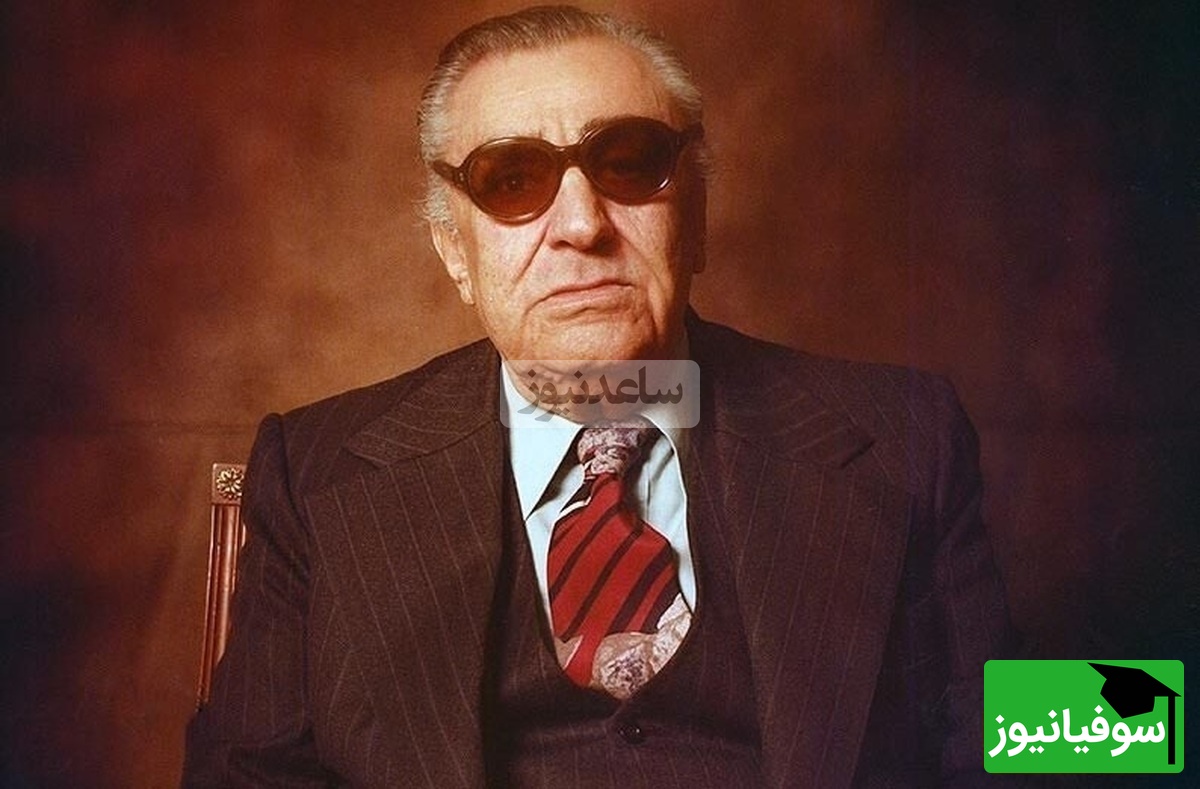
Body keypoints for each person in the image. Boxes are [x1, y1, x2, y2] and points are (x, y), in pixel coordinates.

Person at [184, 5, 1012, 787]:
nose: (583, 224)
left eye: (628, 164)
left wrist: (1098, 726)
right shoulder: (314, 473)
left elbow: (1025, 741)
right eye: (512, 179)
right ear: (455, 253)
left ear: (696, 216)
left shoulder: (909, 435)